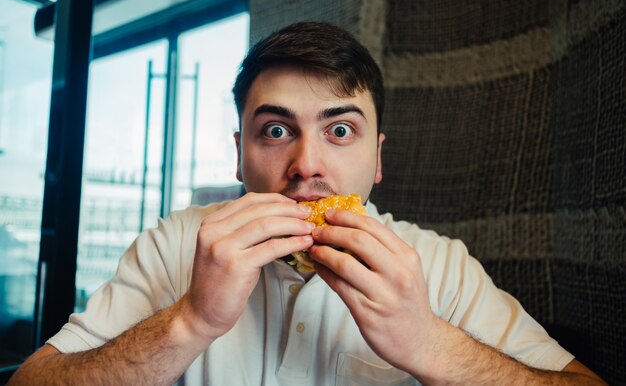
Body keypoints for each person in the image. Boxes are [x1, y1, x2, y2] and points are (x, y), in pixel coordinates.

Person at [10, 21, 605, 385]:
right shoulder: (175, 243)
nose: (307, 165)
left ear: (377, 158)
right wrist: (190, 321)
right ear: (239, 155)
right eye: (274, 130)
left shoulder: (439, 265)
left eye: (339, 130)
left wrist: (429, 344)